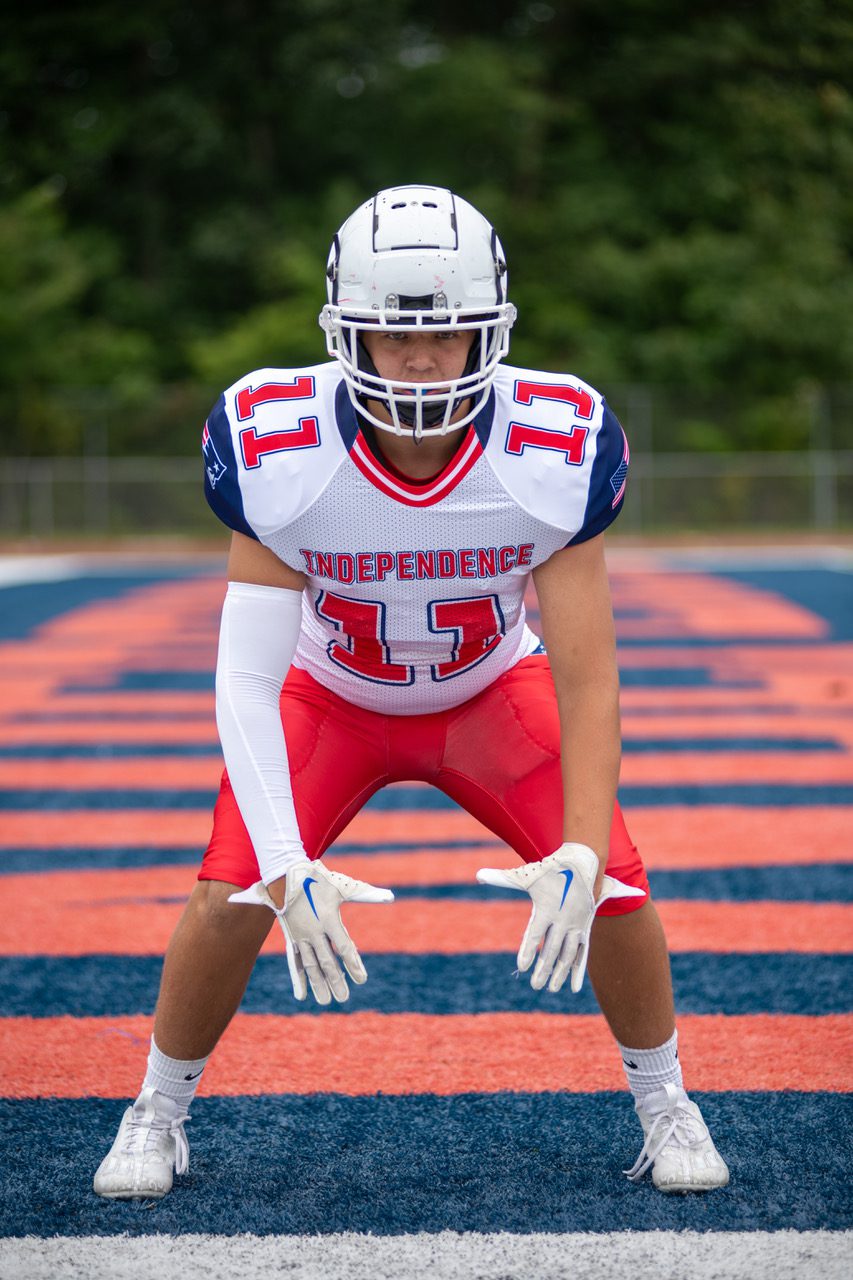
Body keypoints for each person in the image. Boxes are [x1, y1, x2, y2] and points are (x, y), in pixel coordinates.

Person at [94, 184, 729, 1200]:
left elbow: (587, 674)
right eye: (395, 336)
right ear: (347, 333)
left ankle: (666, 1102)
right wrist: (286, 863)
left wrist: (577, 848)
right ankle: (155, 1111)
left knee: (611, 882)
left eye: (446, 333)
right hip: (329, 695)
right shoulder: (280, 445)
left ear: (492, 331)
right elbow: (247, 675)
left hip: (489, 694)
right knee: (229, 894)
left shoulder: (552, 446)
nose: (423, 360)